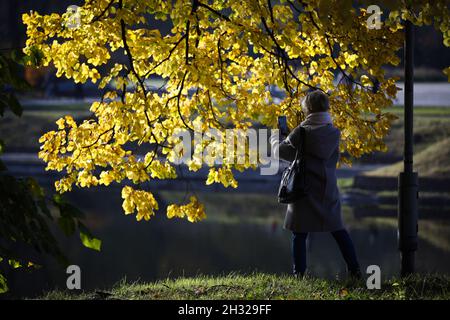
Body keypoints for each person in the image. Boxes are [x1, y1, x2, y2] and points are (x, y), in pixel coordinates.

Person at [270, 90, 361, 278]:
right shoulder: (334, 132)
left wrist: (276, 137)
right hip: (327, 188)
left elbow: (282, 153)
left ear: (308, 108)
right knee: (338, 230)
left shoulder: (301, 132)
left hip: (303, 188)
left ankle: (300, 274)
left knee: (299, 233)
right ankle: (354, 270)